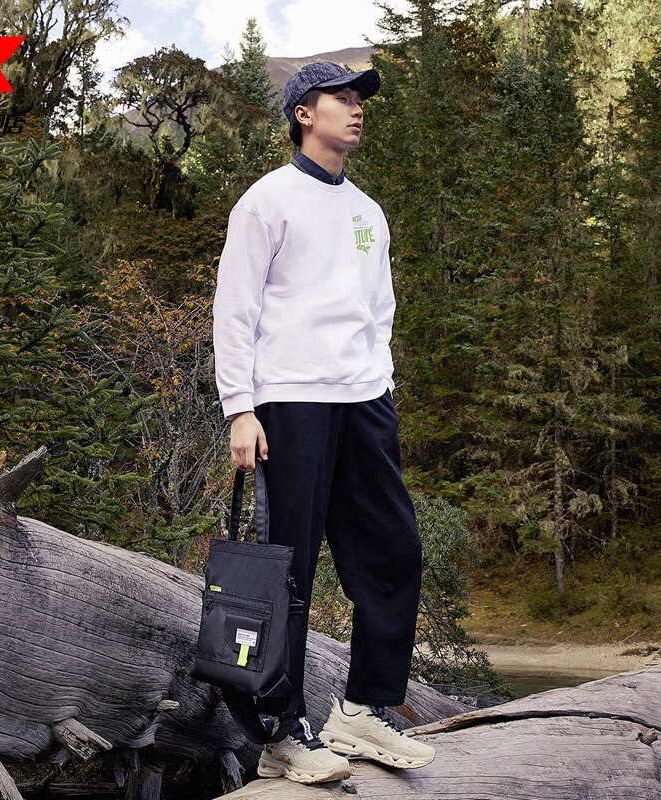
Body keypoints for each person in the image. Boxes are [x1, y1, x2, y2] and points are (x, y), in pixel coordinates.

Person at [212, 61, 436, 785]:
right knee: (291, 570)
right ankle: (280, 732)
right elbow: (235, 309)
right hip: (289, 402)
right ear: (303, 114)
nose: (355, 108)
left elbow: (380, 311)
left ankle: (363, 708)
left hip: (364, 402)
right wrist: (240, 407)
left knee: (394, 551)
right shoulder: (266, 201)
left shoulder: (369, 213)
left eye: (358, 99)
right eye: (340, 98)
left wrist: (381, 387)